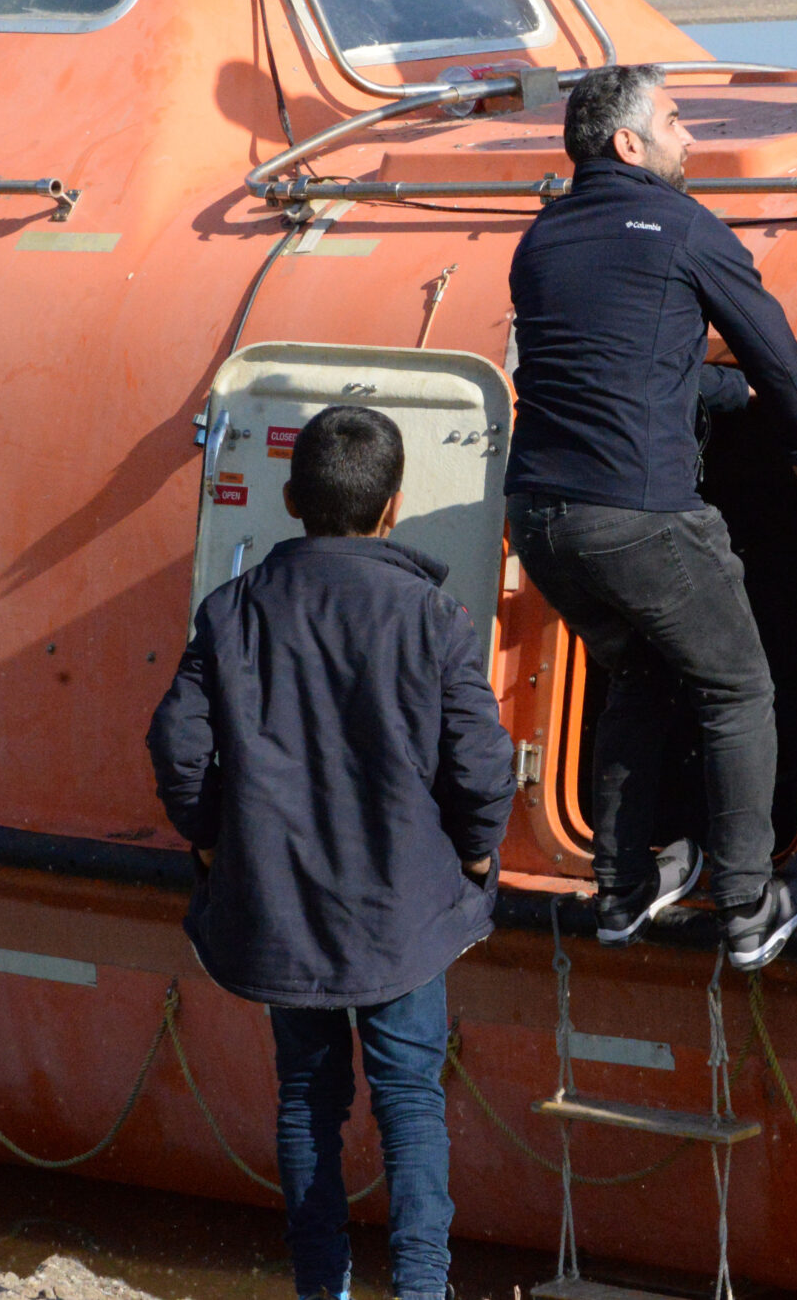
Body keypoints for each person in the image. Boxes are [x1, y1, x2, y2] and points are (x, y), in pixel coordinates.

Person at [146, 406, 513, 1300]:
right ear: (392, 508)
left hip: (282, 907)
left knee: (308, 1100)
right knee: (411, 1103)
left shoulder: (230, 612)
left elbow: (177, 747)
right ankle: (424, 1288)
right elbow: (483, 762)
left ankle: (322, 1287)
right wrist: (472, 855)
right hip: (404, 913)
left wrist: (212, 839)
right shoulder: (433, 616)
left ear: (288, 498)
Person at [505, 65, 797, 973]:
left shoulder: (539, 241)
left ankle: (619, 892)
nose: (691, 139)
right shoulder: (683, 226)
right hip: (640, 516)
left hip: (539, 516)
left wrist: (720, 398)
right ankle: (745, 905)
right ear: (629, 144)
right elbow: (770, 344)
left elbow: (614, 371)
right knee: (737, 690)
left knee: (640, 676)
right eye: (679, 122)